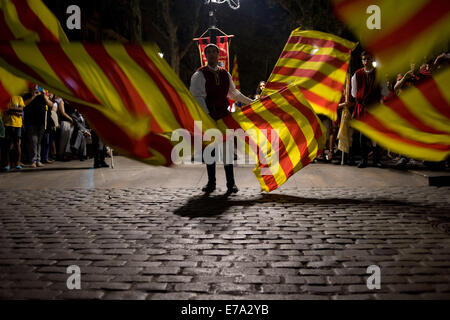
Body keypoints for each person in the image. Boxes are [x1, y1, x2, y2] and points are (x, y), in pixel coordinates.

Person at [190, 43, 253, 194]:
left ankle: (231, 184)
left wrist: (252, 103)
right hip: (208, 117)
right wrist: (207, 116)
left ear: (218, 54)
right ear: (205, 55)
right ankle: (211, 183)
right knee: (210, 151)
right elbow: (196, 97)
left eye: (214, 52)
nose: (212, 54)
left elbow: (234, 94)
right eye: (209, 52)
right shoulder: (199, 75)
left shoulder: (225, 74)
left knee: (227, 150)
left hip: (224, 117)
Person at [349, 51, 383, 168]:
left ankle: (376, 160)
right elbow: (354, 94)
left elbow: (383, 91)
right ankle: (364, 160)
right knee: (362, 135)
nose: (366, 61)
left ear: (372, 60)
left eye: (368, 59)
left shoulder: (379, 73)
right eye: (364, 59)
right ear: (362, 61)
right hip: (362, 107)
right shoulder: (357, 74)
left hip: (375, 107)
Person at [22, 85, 54, 168]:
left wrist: (44, 96)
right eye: (35, 86)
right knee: (33, 141)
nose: (36, 88)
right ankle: (33, 161)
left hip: (42, 122)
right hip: (31, 122)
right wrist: (33, 96)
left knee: (39, 142)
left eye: (38, 86)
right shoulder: (28, 95)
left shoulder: (43, 96)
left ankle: (38, 160)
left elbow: (51, 105)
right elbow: (23, 104)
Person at [2, 96, 26, 170]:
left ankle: (18, 163)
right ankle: (8, 164)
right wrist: (16, 112)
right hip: (7, 123)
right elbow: (5, 109)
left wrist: (11, 109)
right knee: (8, 144)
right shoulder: (5, 96)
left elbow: (21, 109)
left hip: (17, 124)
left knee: (17, 144)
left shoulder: (19, 98)